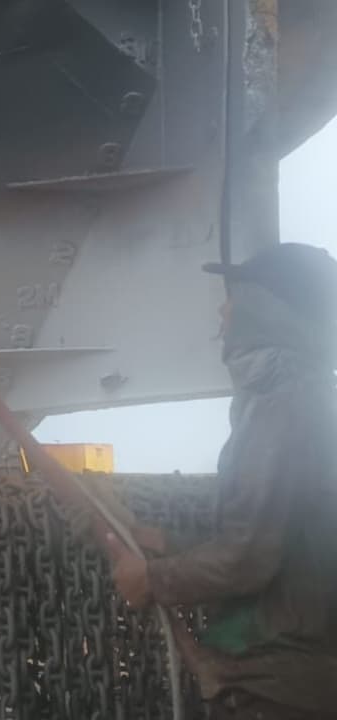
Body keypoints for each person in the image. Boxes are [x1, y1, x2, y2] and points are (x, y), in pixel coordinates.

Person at [106, 242, 337, 719]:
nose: (222, 310)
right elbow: (279, 545)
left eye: (235, 296)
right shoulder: (299, 401)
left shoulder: (283, 408)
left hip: (278, 689)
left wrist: (151, 579)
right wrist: (167, 542)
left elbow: (249, 558)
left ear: (266, 308)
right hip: (289, 681)